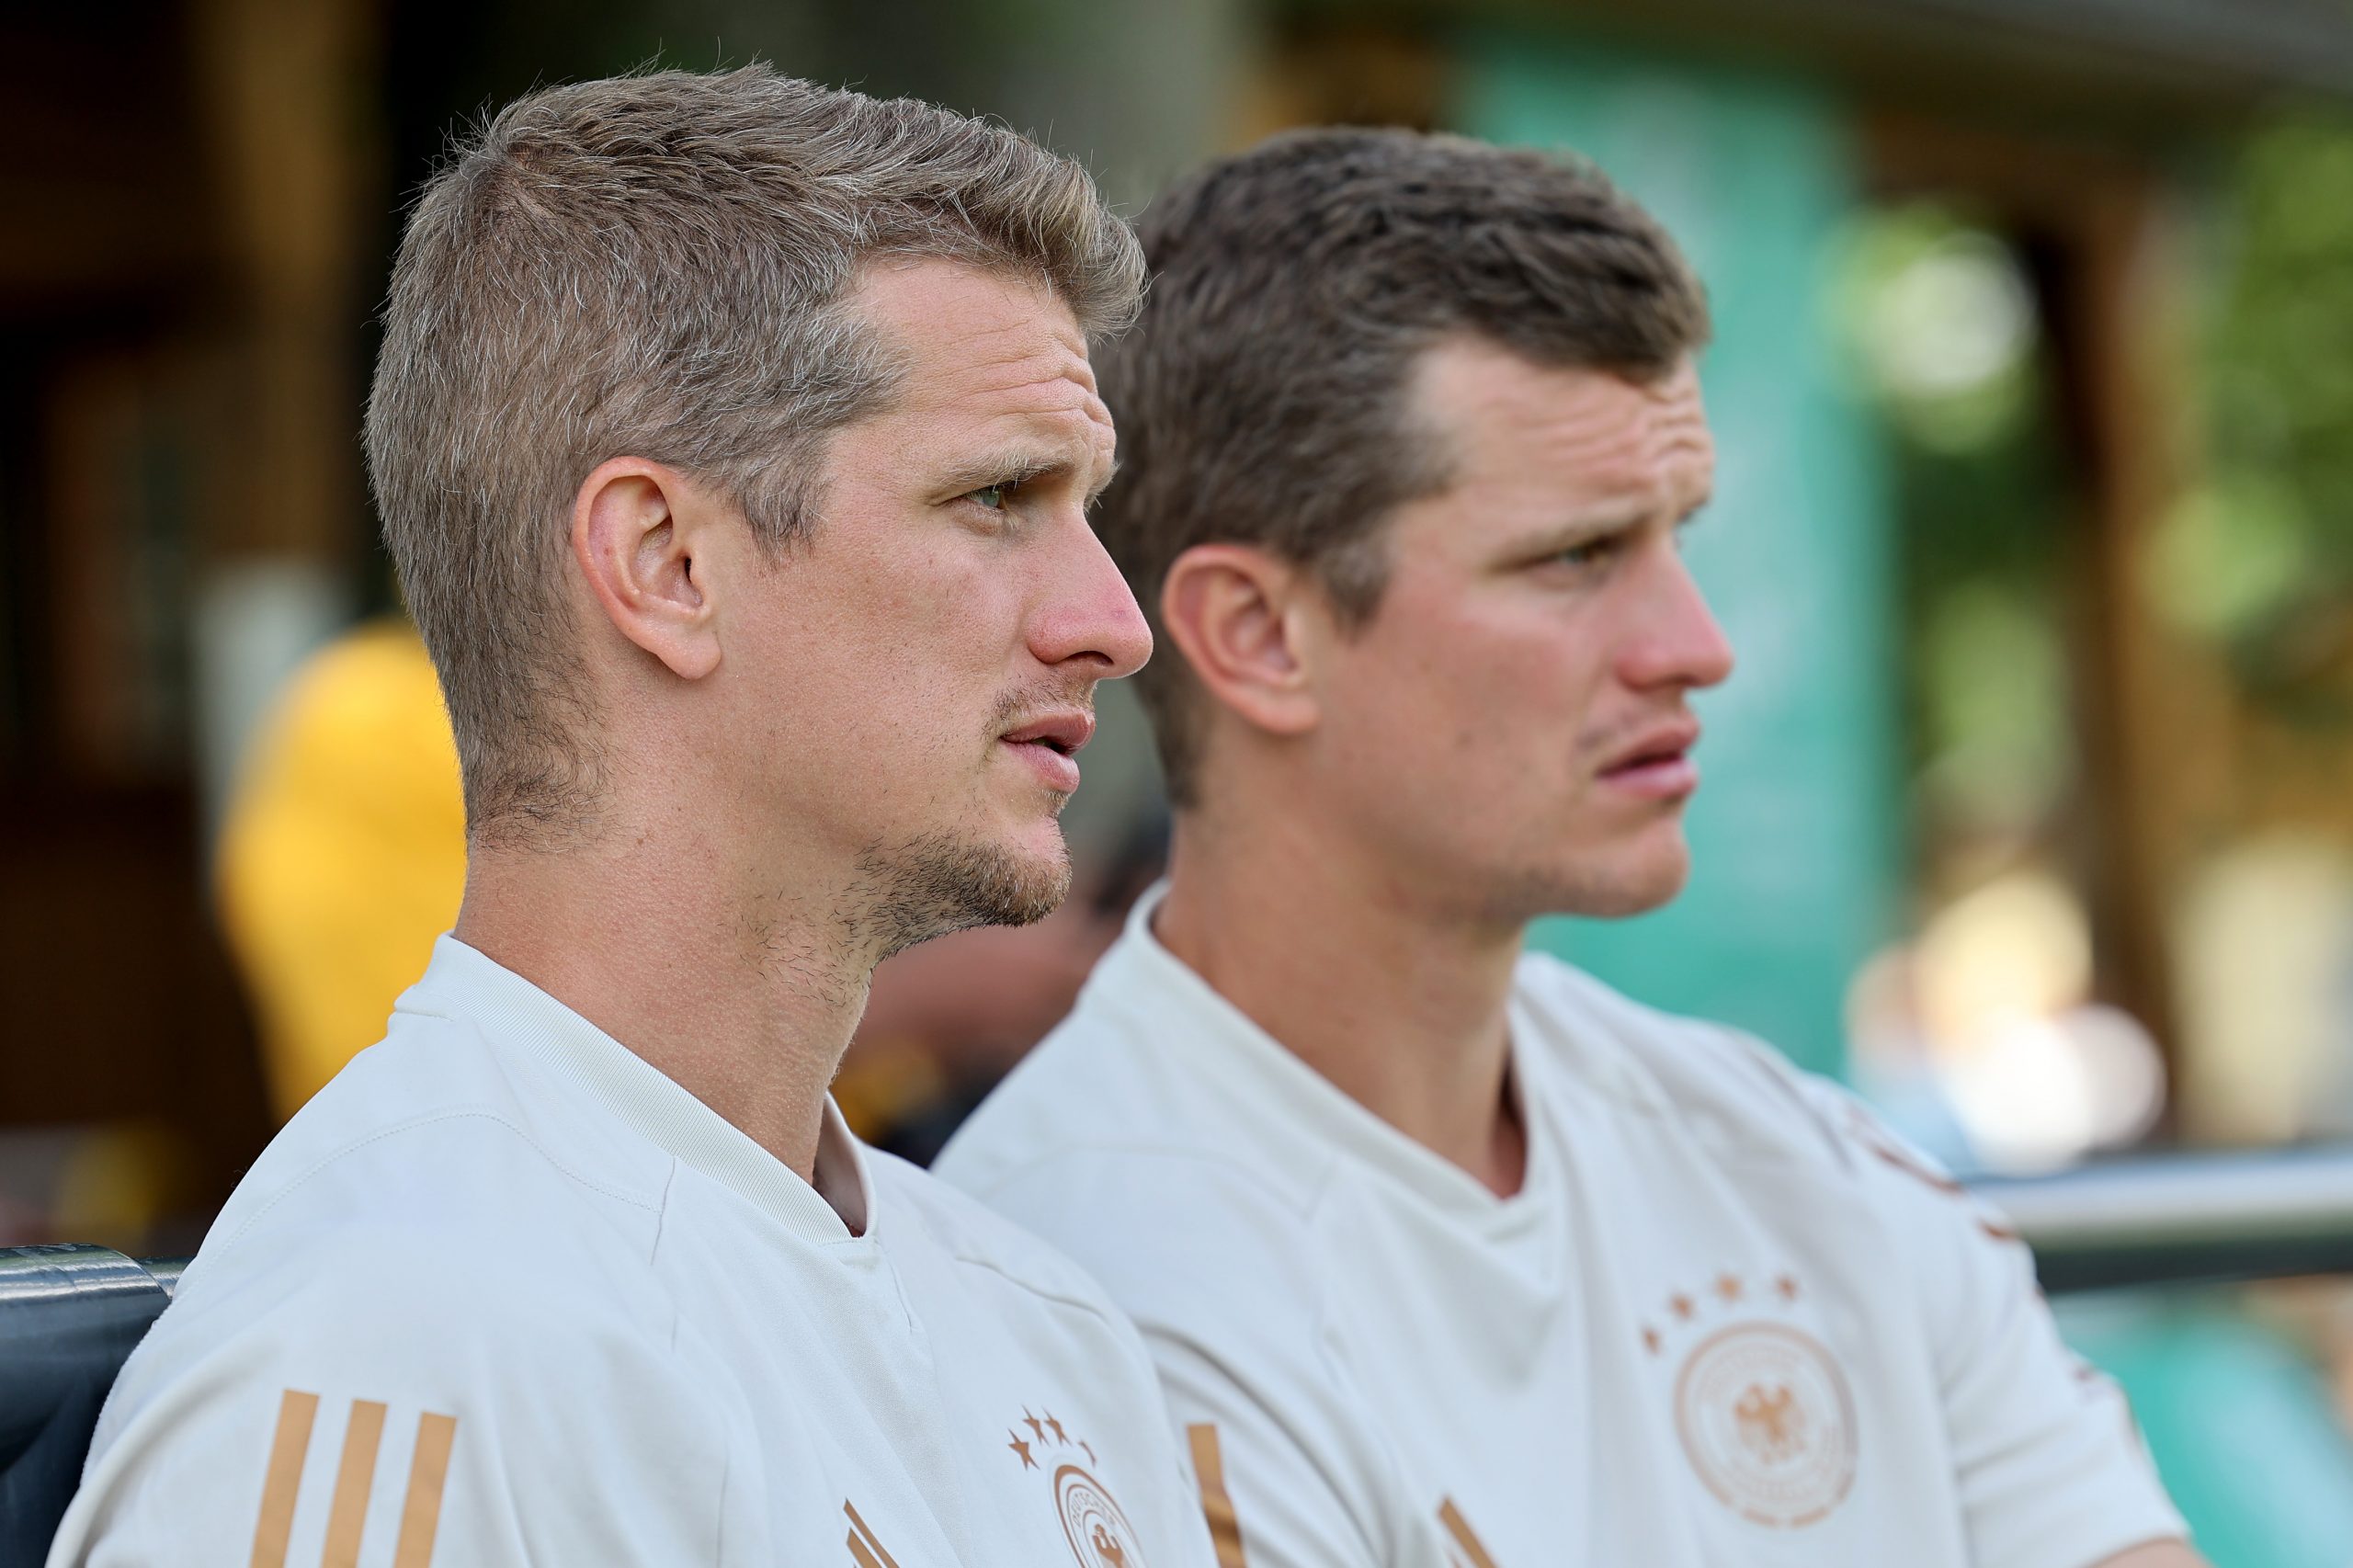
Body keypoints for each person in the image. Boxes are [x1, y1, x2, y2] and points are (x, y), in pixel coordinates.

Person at [935, 128, 2200, 1568]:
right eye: (1575, 559)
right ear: (1258, 635)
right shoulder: (1079, 1284)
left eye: (1677, 539)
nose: (1697, 647)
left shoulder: (1800, 1158)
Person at [51, 67, 1217, 1568]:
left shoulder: (1050, 1327)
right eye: (998, 495)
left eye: (1087, 507)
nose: (1114, 623)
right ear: (663, 563)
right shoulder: (384, 1351)